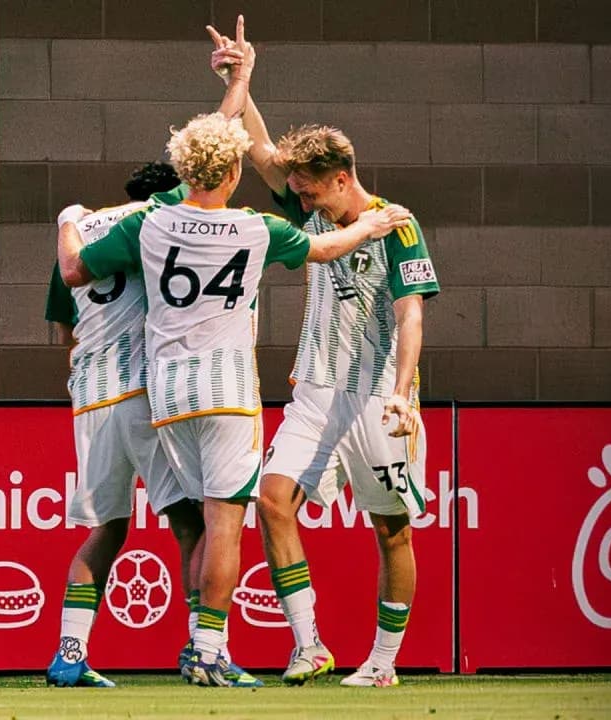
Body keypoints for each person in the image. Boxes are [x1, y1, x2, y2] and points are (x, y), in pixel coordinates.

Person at [58, 23, 413, 687]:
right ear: (229, 171)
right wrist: (369, 223)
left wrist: (65, 224)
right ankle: (209, 649)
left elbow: (76, 271)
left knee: (192, 522)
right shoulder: (256, 228)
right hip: (226, 391)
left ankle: (201, 645)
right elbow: (324, 248)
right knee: (225, 524)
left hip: (164, 395)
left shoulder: (150, 219)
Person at [208, 24, 441, 688]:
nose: (301, 198)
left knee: (391, 530)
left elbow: (411, 310)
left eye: (311, 189)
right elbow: (260, 154)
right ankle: (309, 644)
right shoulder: (311, 214)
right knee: (272, 501)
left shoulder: (396, 222)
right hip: (313, 390)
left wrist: (402, 390)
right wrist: (240, 80)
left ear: (343, 178)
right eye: (299, 191)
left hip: (375, 399)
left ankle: (385, 663)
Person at [42, 161, 206, 688]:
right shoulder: (158, 221)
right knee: (192, 524)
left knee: (107, 526)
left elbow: (62, 327)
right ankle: (202, 646)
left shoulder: (82, 229)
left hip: (89, 395)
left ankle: (70, 653)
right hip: (142, 391)